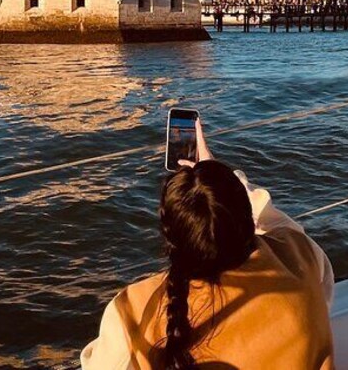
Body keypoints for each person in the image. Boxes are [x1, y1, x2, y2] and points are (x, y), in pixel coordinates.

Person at [82, 120, 335, 370]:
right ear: (246, 219)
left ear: (170, 236)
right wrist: (220, 178)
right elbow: (276, 223)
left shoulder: (134, 310)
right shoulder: (301, 260)